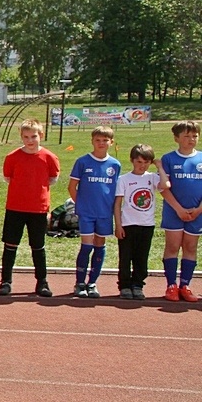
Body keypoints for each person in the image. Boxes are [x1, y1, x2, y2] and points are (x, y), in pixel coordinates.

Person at [0, 119, 60, 297]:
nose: (30, 140)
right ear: (21, 137)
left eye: (33, 136)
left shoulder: (50, 157)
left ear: (41, 135)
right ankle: (6, 282)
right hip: (15, 208)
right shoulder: (12, 157)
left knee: (38, 247)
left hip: (38, 209)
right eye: (26, 137)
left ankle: (42, 282)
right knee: (10, 245)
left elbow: (52, 179)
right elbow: (8, 177)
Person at [68, 126, 121, 297]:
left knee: (100, 245)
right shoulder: (83, 161)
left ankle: (92, 283)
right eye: (98, 140)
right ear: (92, 141)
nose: (101, 143)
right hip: (87, 213)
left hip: (104, 213)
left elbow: (115, 191)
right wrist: (81, 205)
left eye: (105, 140)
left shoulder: (115, 165)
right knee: (86, 245)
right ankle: (79, 283)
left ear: (111, 142)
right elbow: (72, 187)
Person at [157, 120, 202, 302]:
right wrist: (178, 209)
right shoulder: (168, 159)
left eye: (195, 136)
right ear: (176, 138)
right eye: (186, 136)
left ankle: (185, 285)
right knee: (173, 246)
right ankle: (171, 285)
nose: (191, 139)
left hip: (197, 213)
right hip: (174, 211)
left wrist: (198, 210)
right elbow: (163, 188)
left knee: (190, 247)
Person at [114, 144, 158, 300]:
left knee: (141, 257)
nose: (142, 165)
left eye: (146, 162)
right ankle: (125, 285)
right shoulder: (124, 179)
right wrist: (118, 225)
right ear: (132, 160)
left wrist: (159, 166)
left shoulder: (152, 178)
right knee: (125, 257)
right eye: (139, 162)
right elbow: (118, 204)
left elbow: (166, 185)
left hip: (147, 225)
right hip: (128, 224)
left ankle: (138, 284)